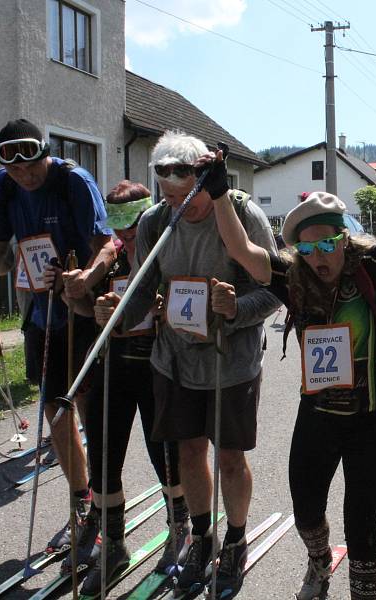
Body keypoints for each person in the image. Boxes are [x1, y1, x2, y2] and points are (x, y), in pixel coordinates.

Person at [206, 116, 376, 600]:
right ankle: (319, 564)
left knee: (362, 526)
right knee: (305, 509)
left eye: (328, 242)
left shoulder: (373, 269)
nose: (319, 254)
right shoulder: (292, 276)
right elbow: (240, 248)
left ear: (344, 238)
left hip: (368, 415)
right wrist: (220, 194)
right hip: (317, 413)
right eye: (307, 245)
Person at [94, 131, 279, 598]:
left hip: (230, 363)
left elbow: (277, 287)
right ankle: (202, 535)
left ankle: (235, 537)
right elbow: (141, 285)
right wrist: (115, 315)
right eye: (169, 196)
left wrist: (236, 310)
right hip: (174, 360)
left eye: (187, 195)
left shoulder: (241, 214)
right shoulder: (157, 221)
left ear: (202, 177)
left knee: (230, 457)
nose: (179, 205)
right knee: (188, 453)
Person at [0, 118, 115, 553]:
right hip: (44, 314)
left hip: (84, 307)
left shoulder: (73, 180)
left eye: (32, 167)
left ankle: (103, 503)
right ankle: (81, 500)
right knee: (55, 413)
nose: (24, 176)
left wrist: (88, 274)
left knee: (87, 406)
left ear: (45, 155)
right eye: (16, 170)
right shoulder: (3, 185)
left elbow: (107, 244)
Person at [45, 181, 188, 593]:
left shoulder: (166, 248)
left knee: (166, 455)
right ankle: (115, 544)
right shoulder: (110, 256)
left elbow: (185, 302)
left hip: (158, 363)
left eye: (133, 225)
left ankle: (180, 529)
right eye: (119, 227)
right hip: (113, 365)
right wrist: (86, 302)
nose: (126, 235)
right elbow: (84, 307)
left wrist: (161, 308)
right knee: (106, 457)